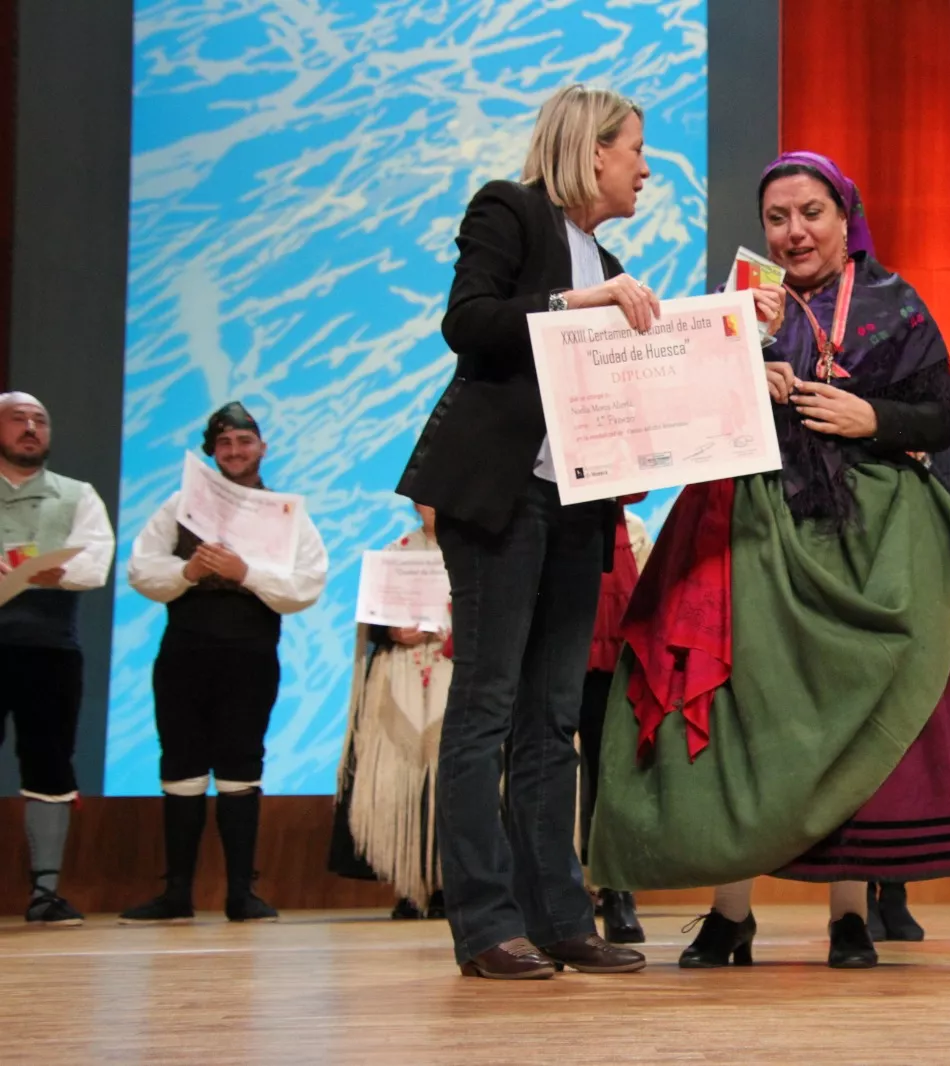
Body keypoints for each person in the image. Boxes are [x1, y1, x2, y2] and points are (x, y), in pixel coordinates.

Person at [588, 151, 950, 970]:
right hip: (753, 528)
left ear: (846, 218)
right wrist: (744, 363)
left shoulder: (896, 303)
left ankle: (849, 915)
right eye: (777, 218)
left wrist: (870, 417)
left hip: (867, 536)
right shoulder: (738, 304)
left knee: (849, 714)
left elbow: (941, 417)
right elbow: (686, 414)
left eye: (811, 213)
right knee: (742, 710)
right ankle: (729, 914)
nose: (794, 232)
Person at [395, 84, 657, 980]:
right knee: (486, 709)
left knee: (553, 718)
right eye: (634, 150)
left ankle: (560, 918)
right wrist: (578, 305)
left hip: (578, 506)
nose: (644, 169)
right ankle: (484, 923)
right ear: (592, 150)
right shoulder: (508, 209)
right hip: (503, 497)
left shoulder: (606, 257)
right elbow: (468, 322)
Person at [121, 401, 328, 924]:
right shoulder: (179, 505)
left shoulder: (285, 512)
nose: (235, 451)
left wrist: (245, 573)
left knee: (241, 763)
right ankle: (176, 895)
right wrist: (188, 572)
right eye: (225, 443)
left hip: (250, 654)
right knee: (180, 763)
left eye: (244, 441)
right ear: (212, 451)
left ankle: (241, 894)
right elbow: (141, 570)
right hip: (184, 650)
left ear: (262, 448)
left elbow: (306, 585)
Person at [0, 392, 114, 926]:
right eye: (18, 419)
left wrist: (59, 573)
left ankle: (45, 893)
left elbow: (96, 560)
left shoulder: (77, 494)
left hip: (49, 648)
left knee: (50, 761)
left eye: (39, 420)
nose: (30, 428)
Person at [328, 502, 450, 920]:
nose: (433, 505)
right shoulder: (394, 553)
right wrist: (392, 630)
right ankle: (409, 884)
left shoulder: (479, 551)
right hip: (399, 671)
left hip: (457, 668)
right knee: (399, 777)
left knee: (452, 777)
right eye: (424, 498)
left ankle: (450, 884)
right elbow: (371, 620)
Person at [578, 496, 651, 943]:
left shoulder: (631, 526)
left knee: (607, 762)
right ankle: (546, 892)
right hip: (540, 550)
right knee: (541, 754)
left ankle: (617, 890)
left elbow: (635, 483)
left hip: (605, 589)